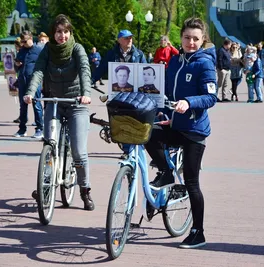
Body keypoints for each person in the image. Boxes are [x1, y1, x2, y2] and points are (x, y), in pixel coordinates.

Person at [144, 17, 217, 249]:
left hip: (194, 131)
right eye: (187, 38)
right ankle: (165, 171)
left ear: (202, 39)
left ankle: (198, 232)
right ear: (181, 38)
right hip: (174, 125)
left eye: (196, 39)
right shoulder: (175, 61)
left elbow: (211, 97)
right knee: (147, 133)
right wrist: (160, 111)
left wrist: (188, 102)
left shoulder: (205, 64)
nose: (191, 42)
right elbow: (164, 92)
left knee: (192, 183)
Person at [23, 14, 94, 211]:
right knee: (49, 145)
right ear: (53, 33)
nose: (62, 36)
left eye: (65, 32)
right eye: (58, 32)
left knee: (79, 151)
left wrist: (86, 94)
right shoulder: (48, 50)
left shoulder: (77, 49)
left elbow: (85, 71)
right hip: (54, 101)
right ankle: (45, 185)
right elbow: (38, 71)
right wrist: (30, 92)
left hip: (76, 102)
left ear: (70, 32)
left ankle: (85, 190)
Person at [92, 29, 146, 159]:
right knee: (120, 121)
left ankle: (130, 150)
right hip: (117, 93)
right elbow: (101, 70)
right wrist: (89, 81)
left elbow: (146, 71)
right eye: (126, 38)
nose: (130, 40)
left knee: (132, 120)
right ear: (119, 40)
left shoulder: (138, 54)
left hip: (134, 94)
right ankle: (127, 148)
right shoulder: (111, 54)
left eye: (131, 38)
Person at [13, 30, 44, 138]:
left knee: (36, 104)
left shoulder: (39, 50)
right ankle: (22, 129)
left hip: (34, 82)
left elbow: (44, 65)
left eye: (25, 41)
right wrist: (17, 64)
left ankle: (40, 129)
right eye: (22, 41)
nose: (23, 43)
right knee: (23, 105)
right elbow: (16, 66)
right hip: (23, 80)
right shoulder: (22, 51)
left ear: (31, 38)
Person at [13, 38, 22, 124]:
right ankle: (21, 116)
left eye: (17, 46)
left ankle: (23, 117)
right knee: (21, 99)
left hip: (24, 78)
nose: (16, 48)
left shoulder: (22, 53)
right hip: (19, 77)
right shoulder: (18, 54)